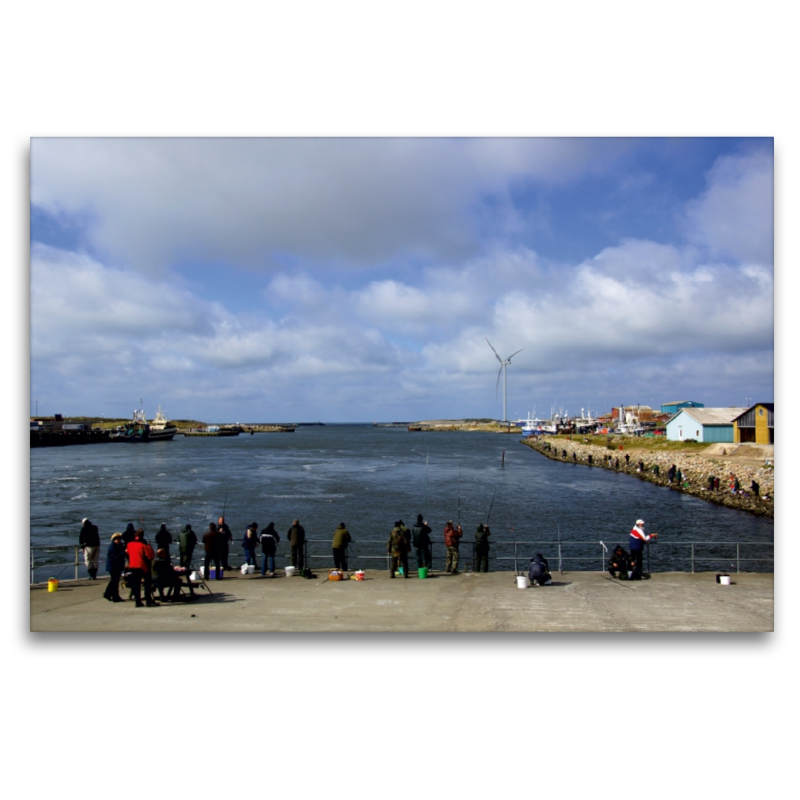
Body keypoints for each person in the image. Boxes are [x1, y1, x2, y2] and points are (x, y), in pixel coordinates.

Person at [126, 529, 157, 607]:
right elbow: (150, 556)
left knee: (136, 583)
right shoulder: (144, 544)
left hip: (133, 565)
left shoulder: (129, 544)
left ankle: (137, 601)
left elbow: (127, 553)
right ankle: (148, 600)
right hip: (143, 566)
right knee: (147, 583)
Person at [103, 533, 126, 602]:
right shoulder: (112, 547)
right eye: (117, 539)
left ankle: (107, 594)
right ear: (114, 540)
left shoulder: (119, 546)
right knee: (114, 582)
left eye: (119, 539)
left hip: (117, 566)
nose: (119, 540)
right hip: (113, 566)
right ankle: (115, 596)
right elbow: (115, 557)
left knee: (114, 581)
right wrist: (124, 552)